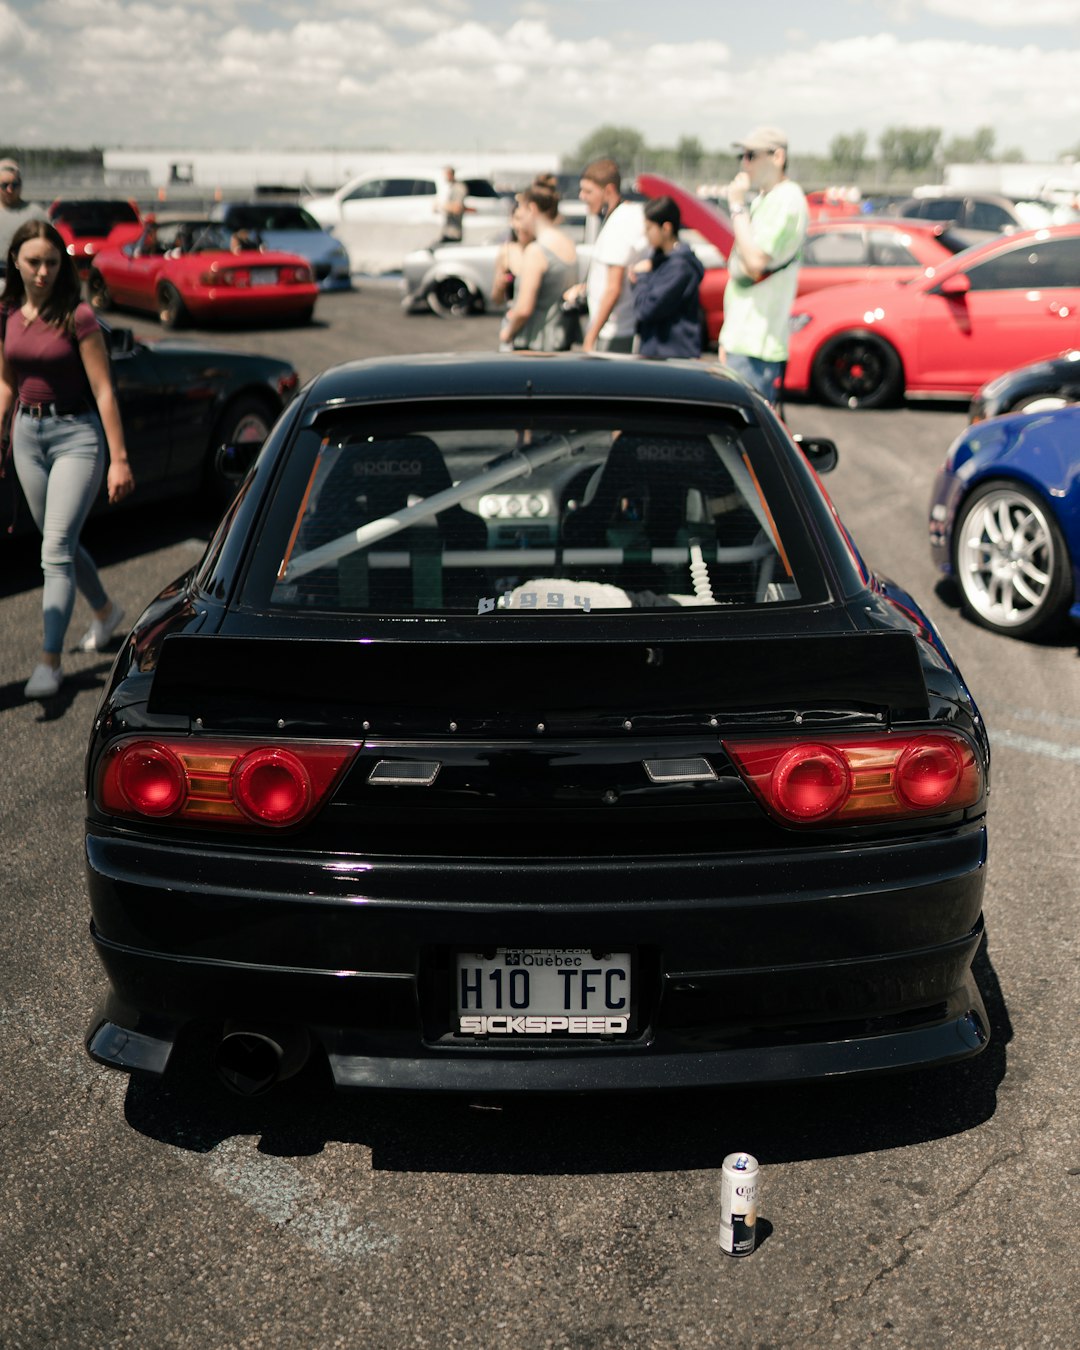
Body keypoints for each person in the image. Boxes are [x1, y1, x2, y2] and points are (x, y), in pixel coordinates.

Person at [0, 220, 134, 699]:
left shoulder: (77, 316)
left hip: (77, 436)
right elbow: (7, 383)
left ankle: (49, 662)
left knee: (54, 550)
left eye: (52, 263)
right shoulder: (9, 311)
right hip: (28, 435)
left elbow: (103, 390)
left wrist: (119, 459)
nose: (43, 272)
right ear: (15, 259)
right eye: (34, 261)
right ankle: (104, 611)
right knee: (59, 542)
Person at [718, 126, 808, 406]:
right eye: (742, 156)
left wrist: (736, 206)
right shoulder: (766, 199)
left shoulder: (787, 199)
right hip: (744, 341)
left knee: (743, 438)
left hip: (757, 345)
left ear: (778, 156)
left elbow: (756, 261)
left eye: (751, 155)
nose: (745, 164)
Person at [568, 157, 646, 353]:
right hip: (616, 329)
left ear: (609, 190)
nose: (582, 196)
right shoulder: (623, 215)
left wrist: (590, 338)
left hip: (613, 333)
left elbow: (613, 288)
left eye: (588, 191)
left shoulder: (619, 225)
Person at [498, 177, 578, 352]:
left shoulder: (536, 251)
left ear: (532, 208)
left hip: (535, 344)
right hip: (561, 340)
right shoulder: (568, 243)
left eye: (521, 210)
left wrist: (507, 333)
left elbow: (524, 309)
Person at [630, 196, 705, 359]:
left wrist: (641, 277)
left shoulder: (680, 267)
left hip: (672, 356)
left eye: (649, 228)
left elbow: (647, 309)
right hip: (659, 353)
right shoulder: (661, 259)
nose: (645, 233)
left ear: (666, 228)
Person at [0, 160, 48, 279]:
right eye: (5, 185)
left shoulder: (35, 213)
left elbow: (50, 245)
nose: (10, 190)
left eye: (15, 185)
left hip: (24, 278)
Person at [438, 166, 470, 245]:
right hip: (447, 229)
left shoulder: (459, 188)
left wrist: (444, 206)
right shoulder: (449, 187)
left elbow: (458, 208)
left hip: (454, 231)